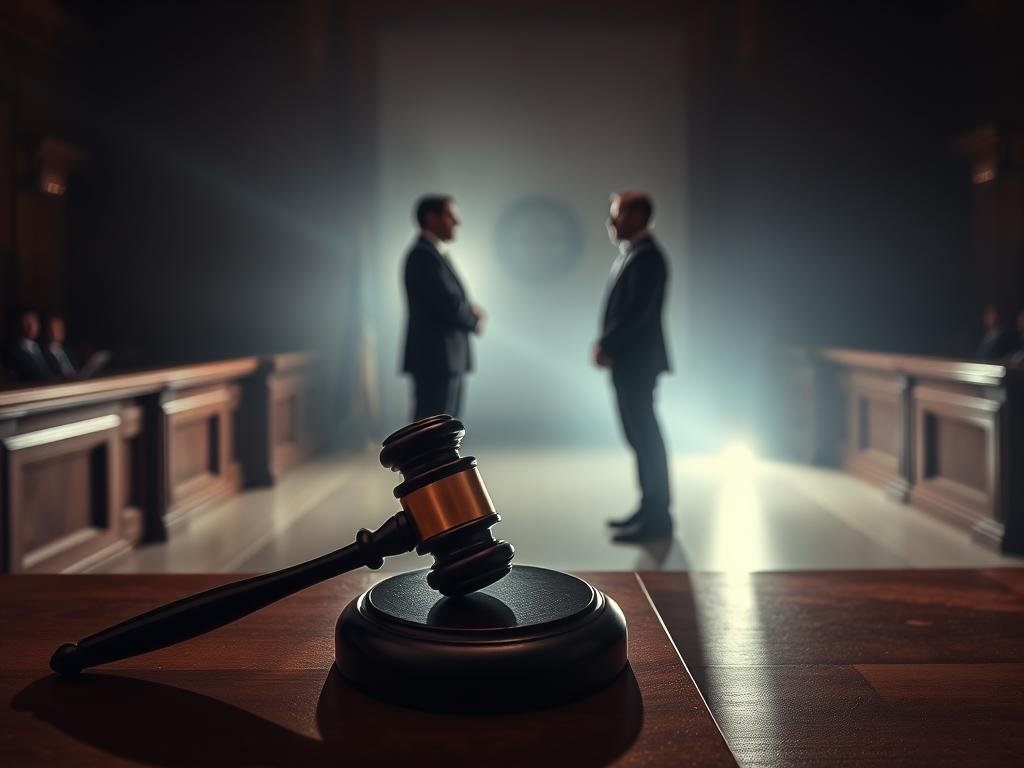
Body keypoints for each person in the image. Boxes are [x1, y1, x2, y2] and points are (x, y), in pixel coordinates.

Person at [593, 191, 673, 542]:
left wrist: (606, 344)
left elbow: (636, 314)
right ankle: (648, 508)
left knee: (645, 436)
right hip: (630, 361)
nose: (611, 222)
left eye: (618, 214)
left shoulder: (648, 258)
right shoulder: (637, 255)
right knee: (638, 436)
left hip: (637, 361)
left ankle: (658, 517)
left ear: (639, 216)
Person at [401, 195, 485, 420]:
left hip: (444, 358)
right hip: (436, 359)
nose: (456, 222)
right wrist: (473, 318)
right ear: (431, 218)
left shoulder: (431, 254)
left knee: (443, 431)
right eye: (450, 215)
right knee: (433, 431)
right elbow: (448, 304)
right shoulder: (423, 256)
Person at [3, 309, 56, 384]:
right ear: (19, 324)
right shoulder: (12, 351)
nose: (31, 326)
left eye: (34, 322)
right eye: (26, 322)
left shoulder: (44, 348)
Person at [42, 315, 78, 379]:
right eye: (57, 328)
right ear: (48, 330)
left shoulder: (69, 351)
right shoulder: (43, 355)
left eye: (62, 327)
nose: (61, 330)